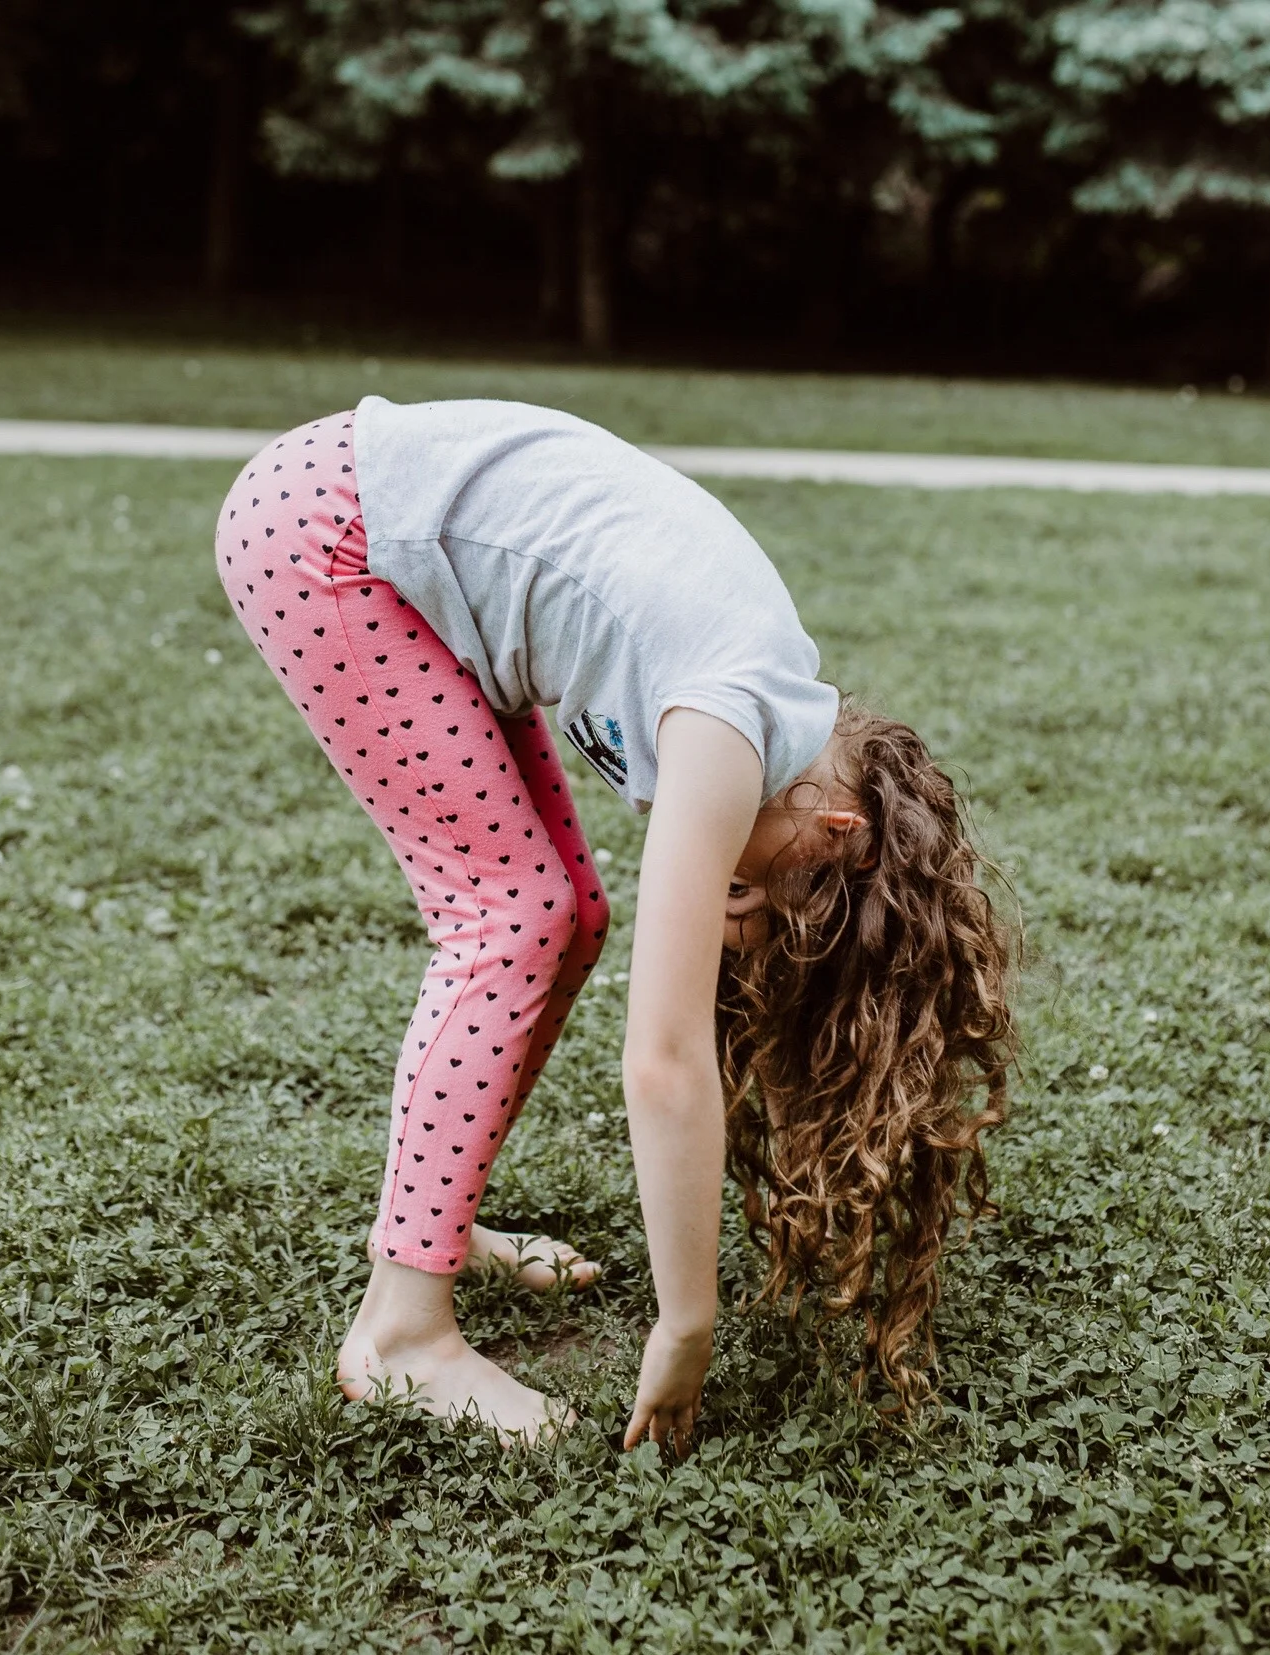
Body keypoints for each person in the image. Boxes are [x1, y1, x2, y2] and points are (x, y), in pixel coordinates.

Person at [214, 397, 1014, 1451]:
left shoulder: (772, 713)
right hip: (325, 532)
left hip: (375, 536)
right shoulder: (732, 725)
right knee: (510, 918)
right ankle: (399, 1330)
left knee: (570, 915)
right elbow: (665, 1060)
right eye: (786, 910)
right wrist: (686, 1321)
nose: (751, 925)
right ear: (834, 827)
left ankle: (433, 1225)